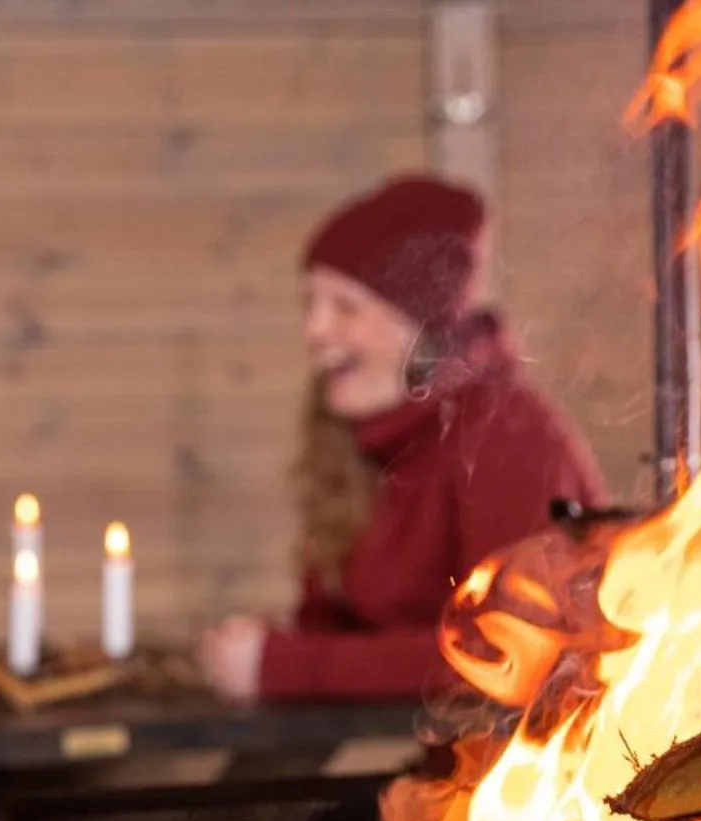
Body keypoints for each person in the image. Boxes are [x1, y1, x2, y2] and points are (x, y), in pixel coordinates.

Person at [197, 174, 610, 703]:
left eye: (345, 307)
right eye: (310, 304)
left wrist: (285, 665)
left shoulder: (506, 434)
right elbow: (336, 626)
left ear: (419, 330)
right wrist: (270, 645)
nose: (315, 330)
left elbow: (510, 652)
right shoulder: (355, 439)